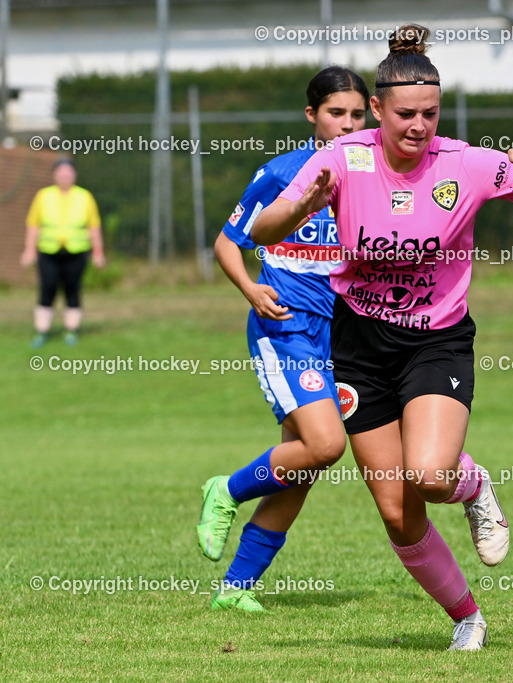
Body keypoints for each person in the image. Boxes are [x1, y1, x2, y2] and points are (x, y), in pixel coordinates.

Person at [246, 25, 513, 650]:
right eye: (406, 114)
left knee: (429, 476)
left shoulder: (466, 163)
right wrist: (298, 208)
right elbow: (262, 231)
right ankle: (467, 618)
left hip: (437, 341)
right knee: (398, 511)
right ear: (377, 109)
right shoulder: (341, 159)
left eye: (430, 113)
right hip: (359, 343)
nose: (419, 126)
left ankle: (474, 485)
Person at [195, 66, 369, 612]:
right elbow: (228, 242)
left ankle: (236, 587)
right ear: (312, 115)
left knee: (304, 466)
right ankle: (226, 489)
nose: (347, 124)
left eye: (357, 114)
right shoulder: (282, 173)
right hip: (286, 327)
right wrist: (250, 289)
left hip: (343, 334)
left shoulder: (375, 177)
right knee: (325, 446)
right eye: (336, 113)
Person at [20, 158, 106, 347]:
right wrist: (29, 250)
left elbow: (94, 226)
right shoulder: (43, 196)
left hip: (76, 252)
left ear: (74, 175)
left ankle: (71, 330)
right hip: (48, 251)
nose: (65, 176)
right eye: (62, 172)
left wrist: (98, 252)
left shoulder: (84, 197)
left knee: (72, 289)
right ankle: (42, 331)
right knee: (47, 287)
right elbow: (33, 225)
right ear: (54, 175)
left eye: (69, 172)